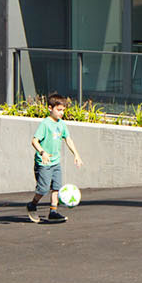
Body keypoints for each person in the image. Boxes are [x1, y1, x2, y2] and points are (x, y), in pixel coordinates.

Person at [28, 92, 85, 223]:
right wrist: (43, 152)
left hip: (55, 162)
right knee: (43, 189)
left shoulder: (61, 124)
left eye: (63, 110)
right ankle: (32, 204)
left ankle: (53, 212)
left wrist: (76, 155)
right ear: (50, 108)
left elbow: (68, 139)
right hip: (43, 163)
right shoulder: (45, 124)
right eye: (59, 110)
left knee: (56, 188)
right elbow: (34, 141)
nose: (61, 113)